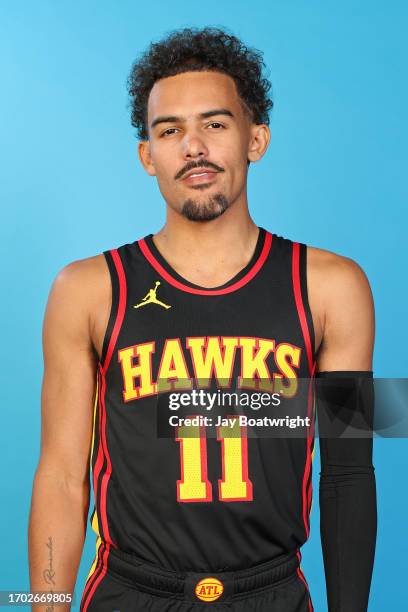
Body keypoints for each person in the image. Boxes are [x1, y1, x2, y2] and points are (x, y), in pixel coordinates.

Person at [28, 26, 377, 611]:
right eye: (170, 130)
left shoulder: (334, 287)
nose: (193, 147)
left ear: (255, 139)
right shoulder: (86, 289)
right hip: (131, 592)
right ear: (148, 155)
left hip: (269, 592)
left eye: (214, 124)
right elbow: (63, 476)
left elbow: (349, 473)